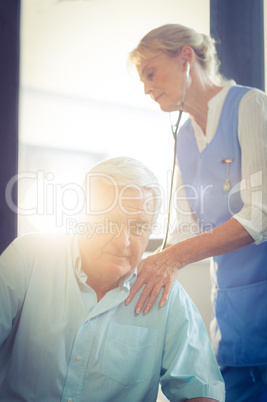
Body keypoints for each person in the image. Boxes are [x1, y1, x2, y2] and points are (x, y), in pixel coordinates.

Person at [0, 156, 224, 402]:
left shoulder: (166, 294)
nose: (122, 242)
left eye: (138, 227)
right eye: (108, 222)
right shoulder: (28, 258)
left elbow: (201, 392)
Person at [126, 23, 267, 402]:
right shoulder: (183, 140)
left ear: (186, 56)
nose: (146, 88)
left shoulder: (250, 104)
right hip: (230, 316)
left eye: (150, 73)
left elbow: (260, 216)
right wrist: (135, 266)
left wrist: (171, 258)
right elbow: (185, 229)